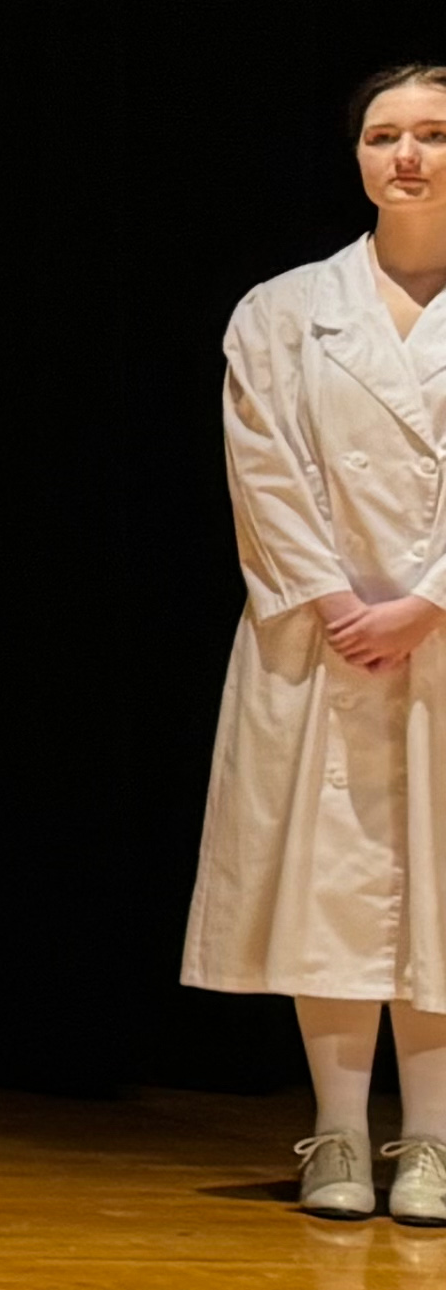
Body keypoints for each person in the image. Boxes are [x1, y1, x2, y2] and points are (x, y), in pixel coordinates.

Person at [182, 63, 446, 1227]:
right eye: (385, 135)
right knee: (327, 889)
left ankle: (431, 1142)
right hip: (321, 642)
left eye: (435, 135)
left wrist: (427, 603)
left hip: (438, 637)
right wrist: (340, 603)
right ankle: (339, 1133)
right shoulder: (284, 310)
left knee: (439, 888)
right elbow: (265, 470)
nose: (409, 157)